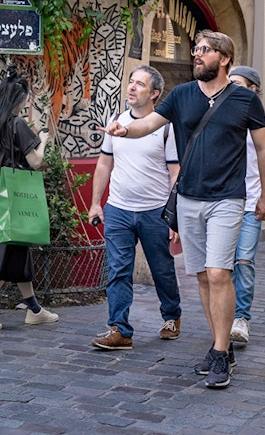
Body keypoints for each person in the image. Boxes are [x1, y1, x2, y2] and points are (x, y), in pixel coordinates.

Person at [103, 30, 265, 389]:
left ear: (224, 58)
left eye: (205, 50)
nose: (197, 55)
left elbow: (262, 150)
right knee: (199, 275)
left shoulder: (245, 100)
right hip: (188, 198)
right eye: (196, 49)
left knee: (217, 273)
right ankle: (220, 349)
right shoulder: (181, 95)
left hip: (228, 198)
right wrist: (123, 129)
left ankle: (221, 350)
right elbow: (148, 125)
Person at [88, 65, 182, 350]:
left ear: (154, 93)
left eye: (139, 84)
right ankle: (119, 329)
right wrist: (95, 203)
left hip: (154, 211)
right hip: (118, 208)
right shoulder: (116, 121)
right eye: (130, 82)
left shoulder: (165, 128)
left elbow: (174, 171)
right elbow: (104, 163)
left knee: (162, 269)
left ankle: (171, 315)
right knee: (118, 270)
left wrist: (173, 217)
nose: (131, 87)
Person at [0, 71, 60, 331]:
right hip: (14, 199)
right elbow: (36, 161)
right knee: (4, 255)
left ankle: (34, 310)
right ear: (20, 98)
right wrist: (42, 141)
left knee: (19, 254)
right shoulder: (17, 124)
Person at [225, 67, 265, 345]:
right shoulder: (221, 119)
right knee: (221, 265)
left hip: (251, 202)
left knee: (244, 260)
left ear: (253, 90)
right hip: (222, 200)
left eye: (237, 83)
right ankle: (222, 315)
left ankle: (241, 317)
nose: (230, 87)